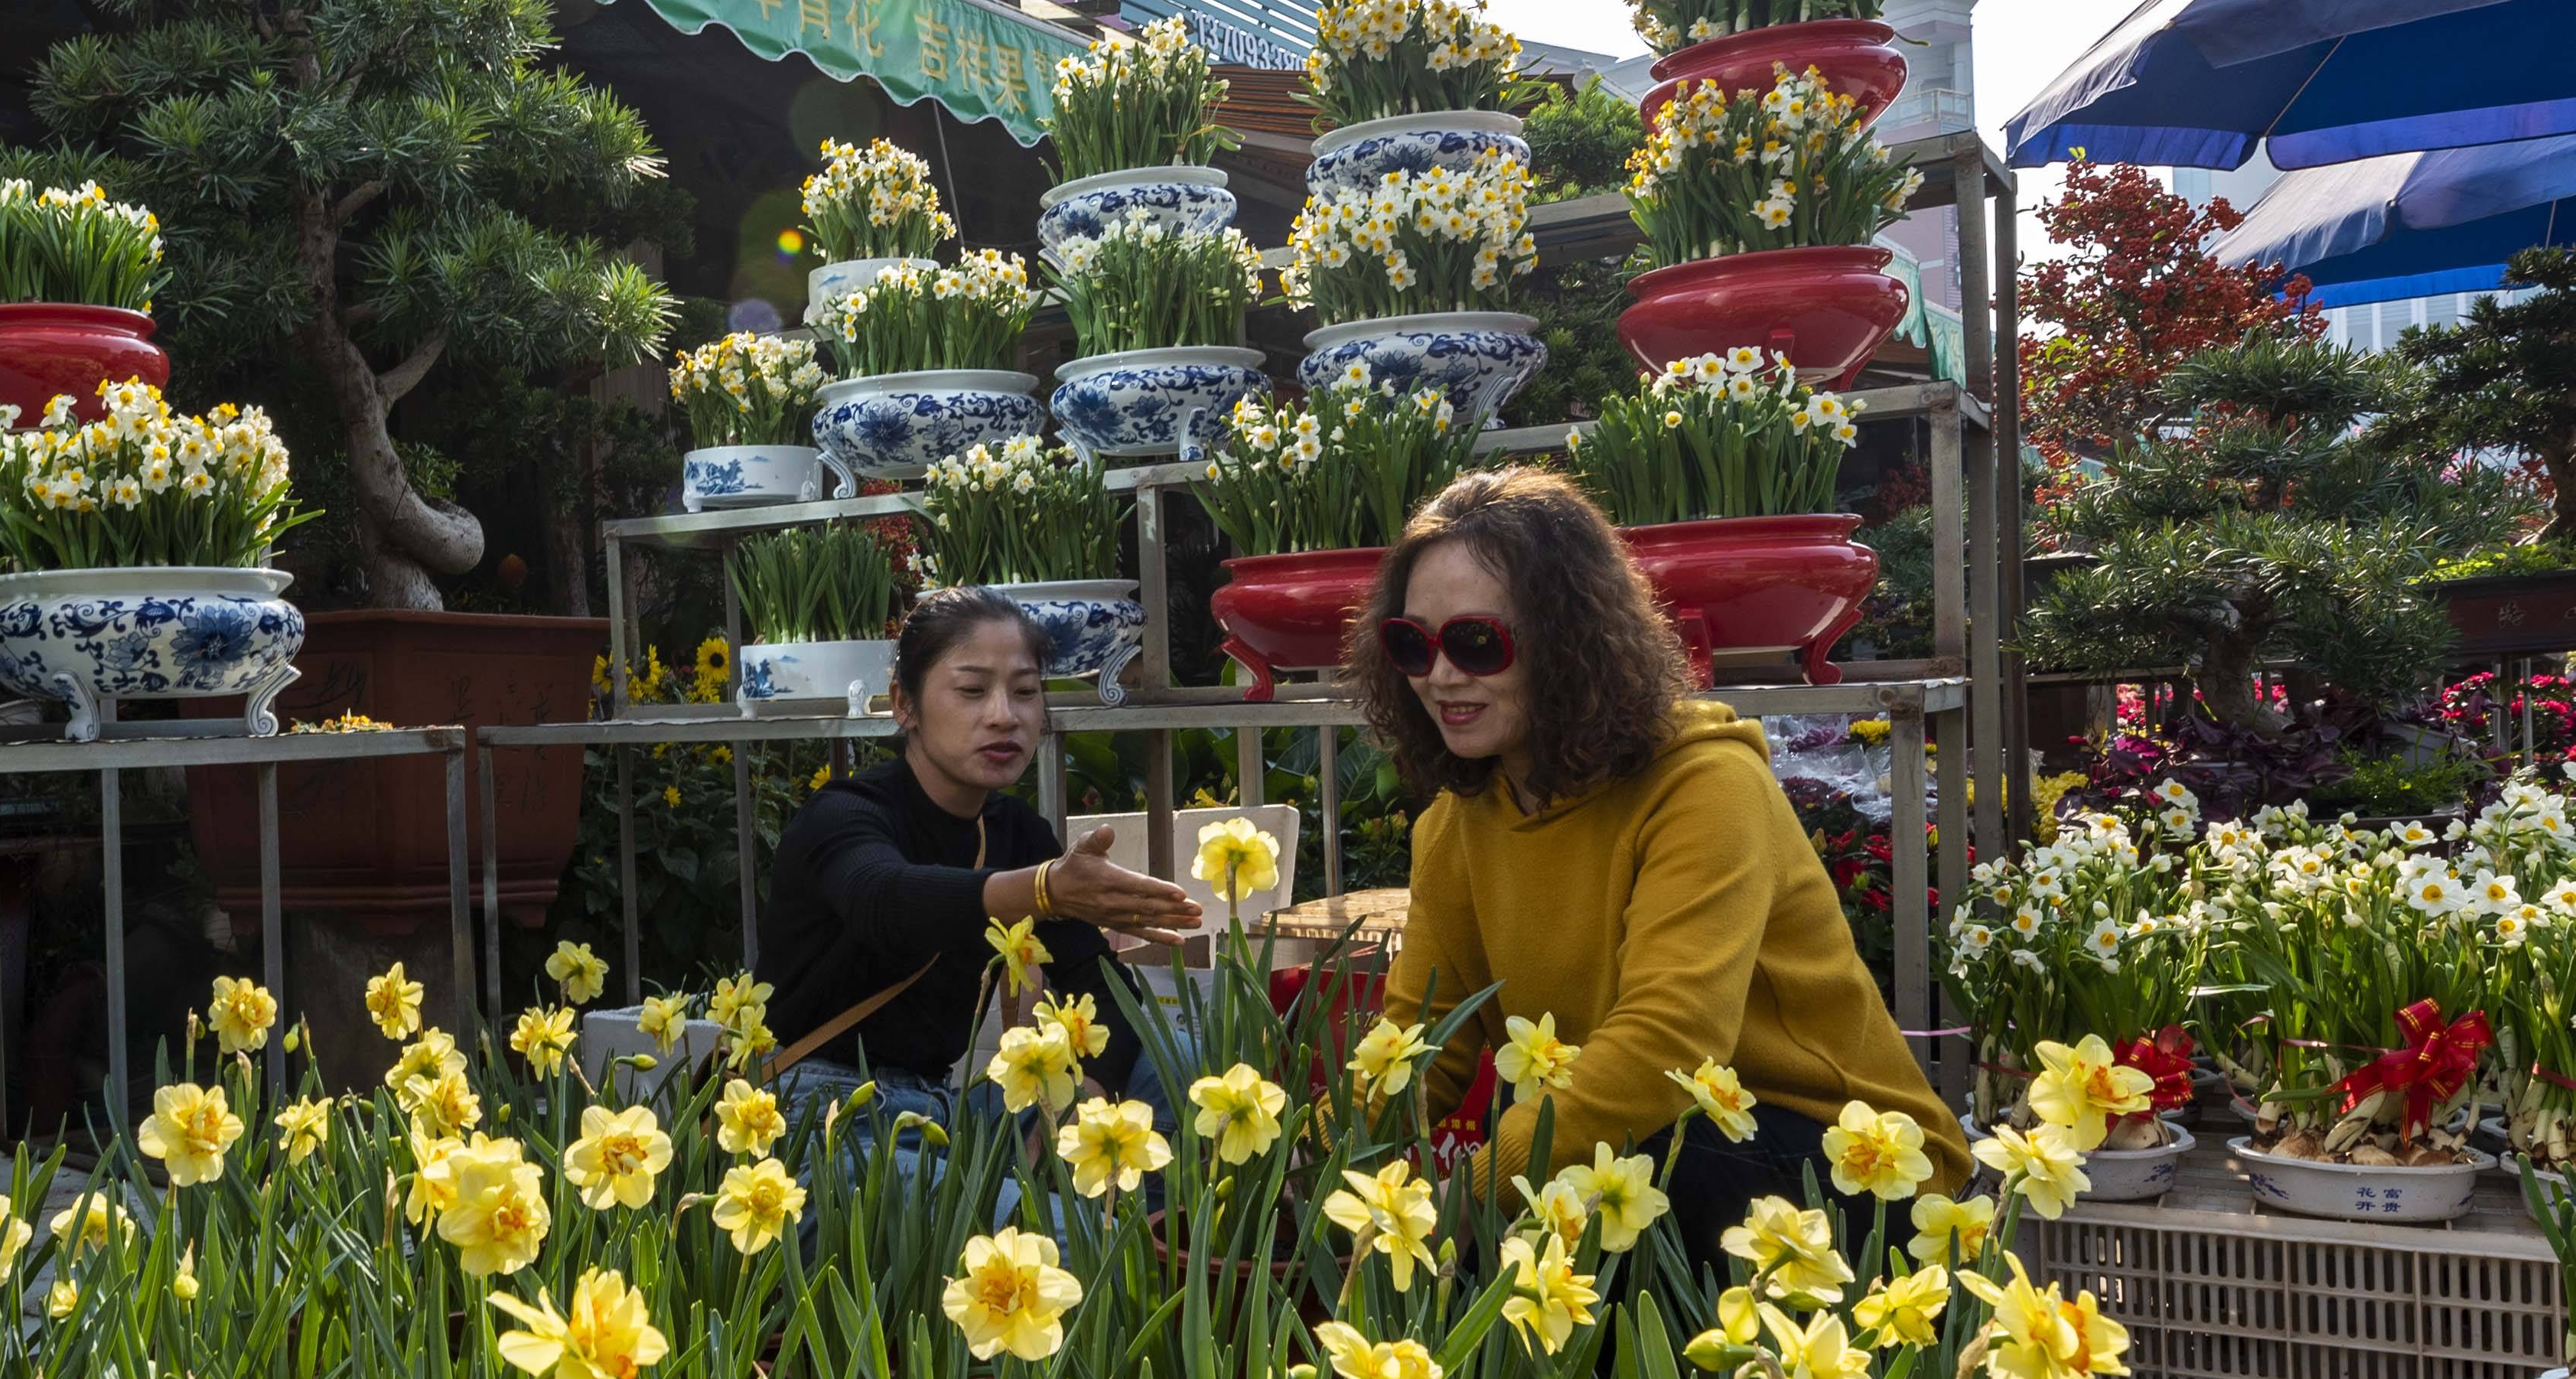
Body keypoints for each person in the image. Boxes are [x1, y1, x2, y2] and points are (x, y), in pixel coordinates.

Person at [1350, 468, 1968, 1249]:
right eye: (1411, 643)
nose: (1440, 676)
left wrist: (1472, 1195)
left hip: (1846, 1158)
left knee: (1621, 1184)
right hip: (1658, 1142)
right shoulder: (1453, 826)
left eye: (1478, 641)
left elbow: (1670, 1041)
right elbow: (1423, 1042)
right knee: (1576, 1197)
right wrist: (1318, 1162)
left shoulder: (1705, 785)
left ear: (1569, 640)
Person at [757, 592, 1203, 1129]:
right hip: (825, 1112)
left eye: (1025, 692)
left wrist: (1076, 1110)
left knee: (1175, 1056)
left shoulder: (1015, 833)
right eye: (972, 690)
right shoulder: (844, 815)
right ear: (904, 703)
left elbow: (1109, 999)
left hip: (941, 1112)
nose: (1004, 716)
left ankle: (1144, 1215)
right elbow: (885, 899)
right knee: (1045, 1220)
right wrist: (1043, 892)